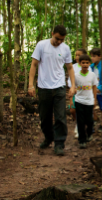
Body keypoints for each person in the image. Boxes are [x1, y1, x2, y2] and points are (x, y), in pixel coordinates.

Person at [28, 25, 76, 156]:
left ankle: (59, 144)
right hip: (44, 88)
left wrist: (72, 85)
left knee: (60, 117)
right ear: (52, 33)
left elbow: (70, 67)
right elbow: (33, 64)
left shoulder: (65, 48)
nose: (59, 41)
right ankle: (49, 138)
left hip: (59, 87)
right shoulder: (41, 45)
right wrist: (30, 85)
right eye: (57, 38)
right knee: (45, 117)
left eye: (62, 39)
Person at [70, 55, 98, 149]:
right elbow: (73, 87)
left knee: (89, 120)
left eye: (87, 63)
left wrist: (94, 99)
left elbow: (94, 87)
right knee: (80, 121)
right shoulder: (76, 76)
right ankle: (82, 140)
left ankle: (89, 133)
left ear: (89, 64)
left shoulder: (92, 75)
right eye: (83, 63)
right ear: (80, 63)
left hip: (89, 101)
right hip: (79, 101)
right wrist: (72, 98)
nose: (85, 64)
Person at [68, 48, 92, 138]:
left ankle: (81, 127)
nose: (77, 57)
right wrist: (72, 87)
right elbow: (70, 79)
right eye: (76, 55)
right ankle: (78, 124)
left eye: (79, 55)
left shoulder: (88, 67)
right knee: (72, 109)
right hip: (75, 91)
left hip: (85, 92)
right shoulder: (73, 66)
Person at [90, 48, 102, 132]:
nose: (92, 58)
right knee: (91, 106)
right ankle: (94, 119)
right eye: (91, 56)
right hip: (92, 91)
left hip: (101, 91)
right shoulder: (91, 66)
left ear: (100, 56)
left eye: (94, 56)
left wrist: (100, 88)